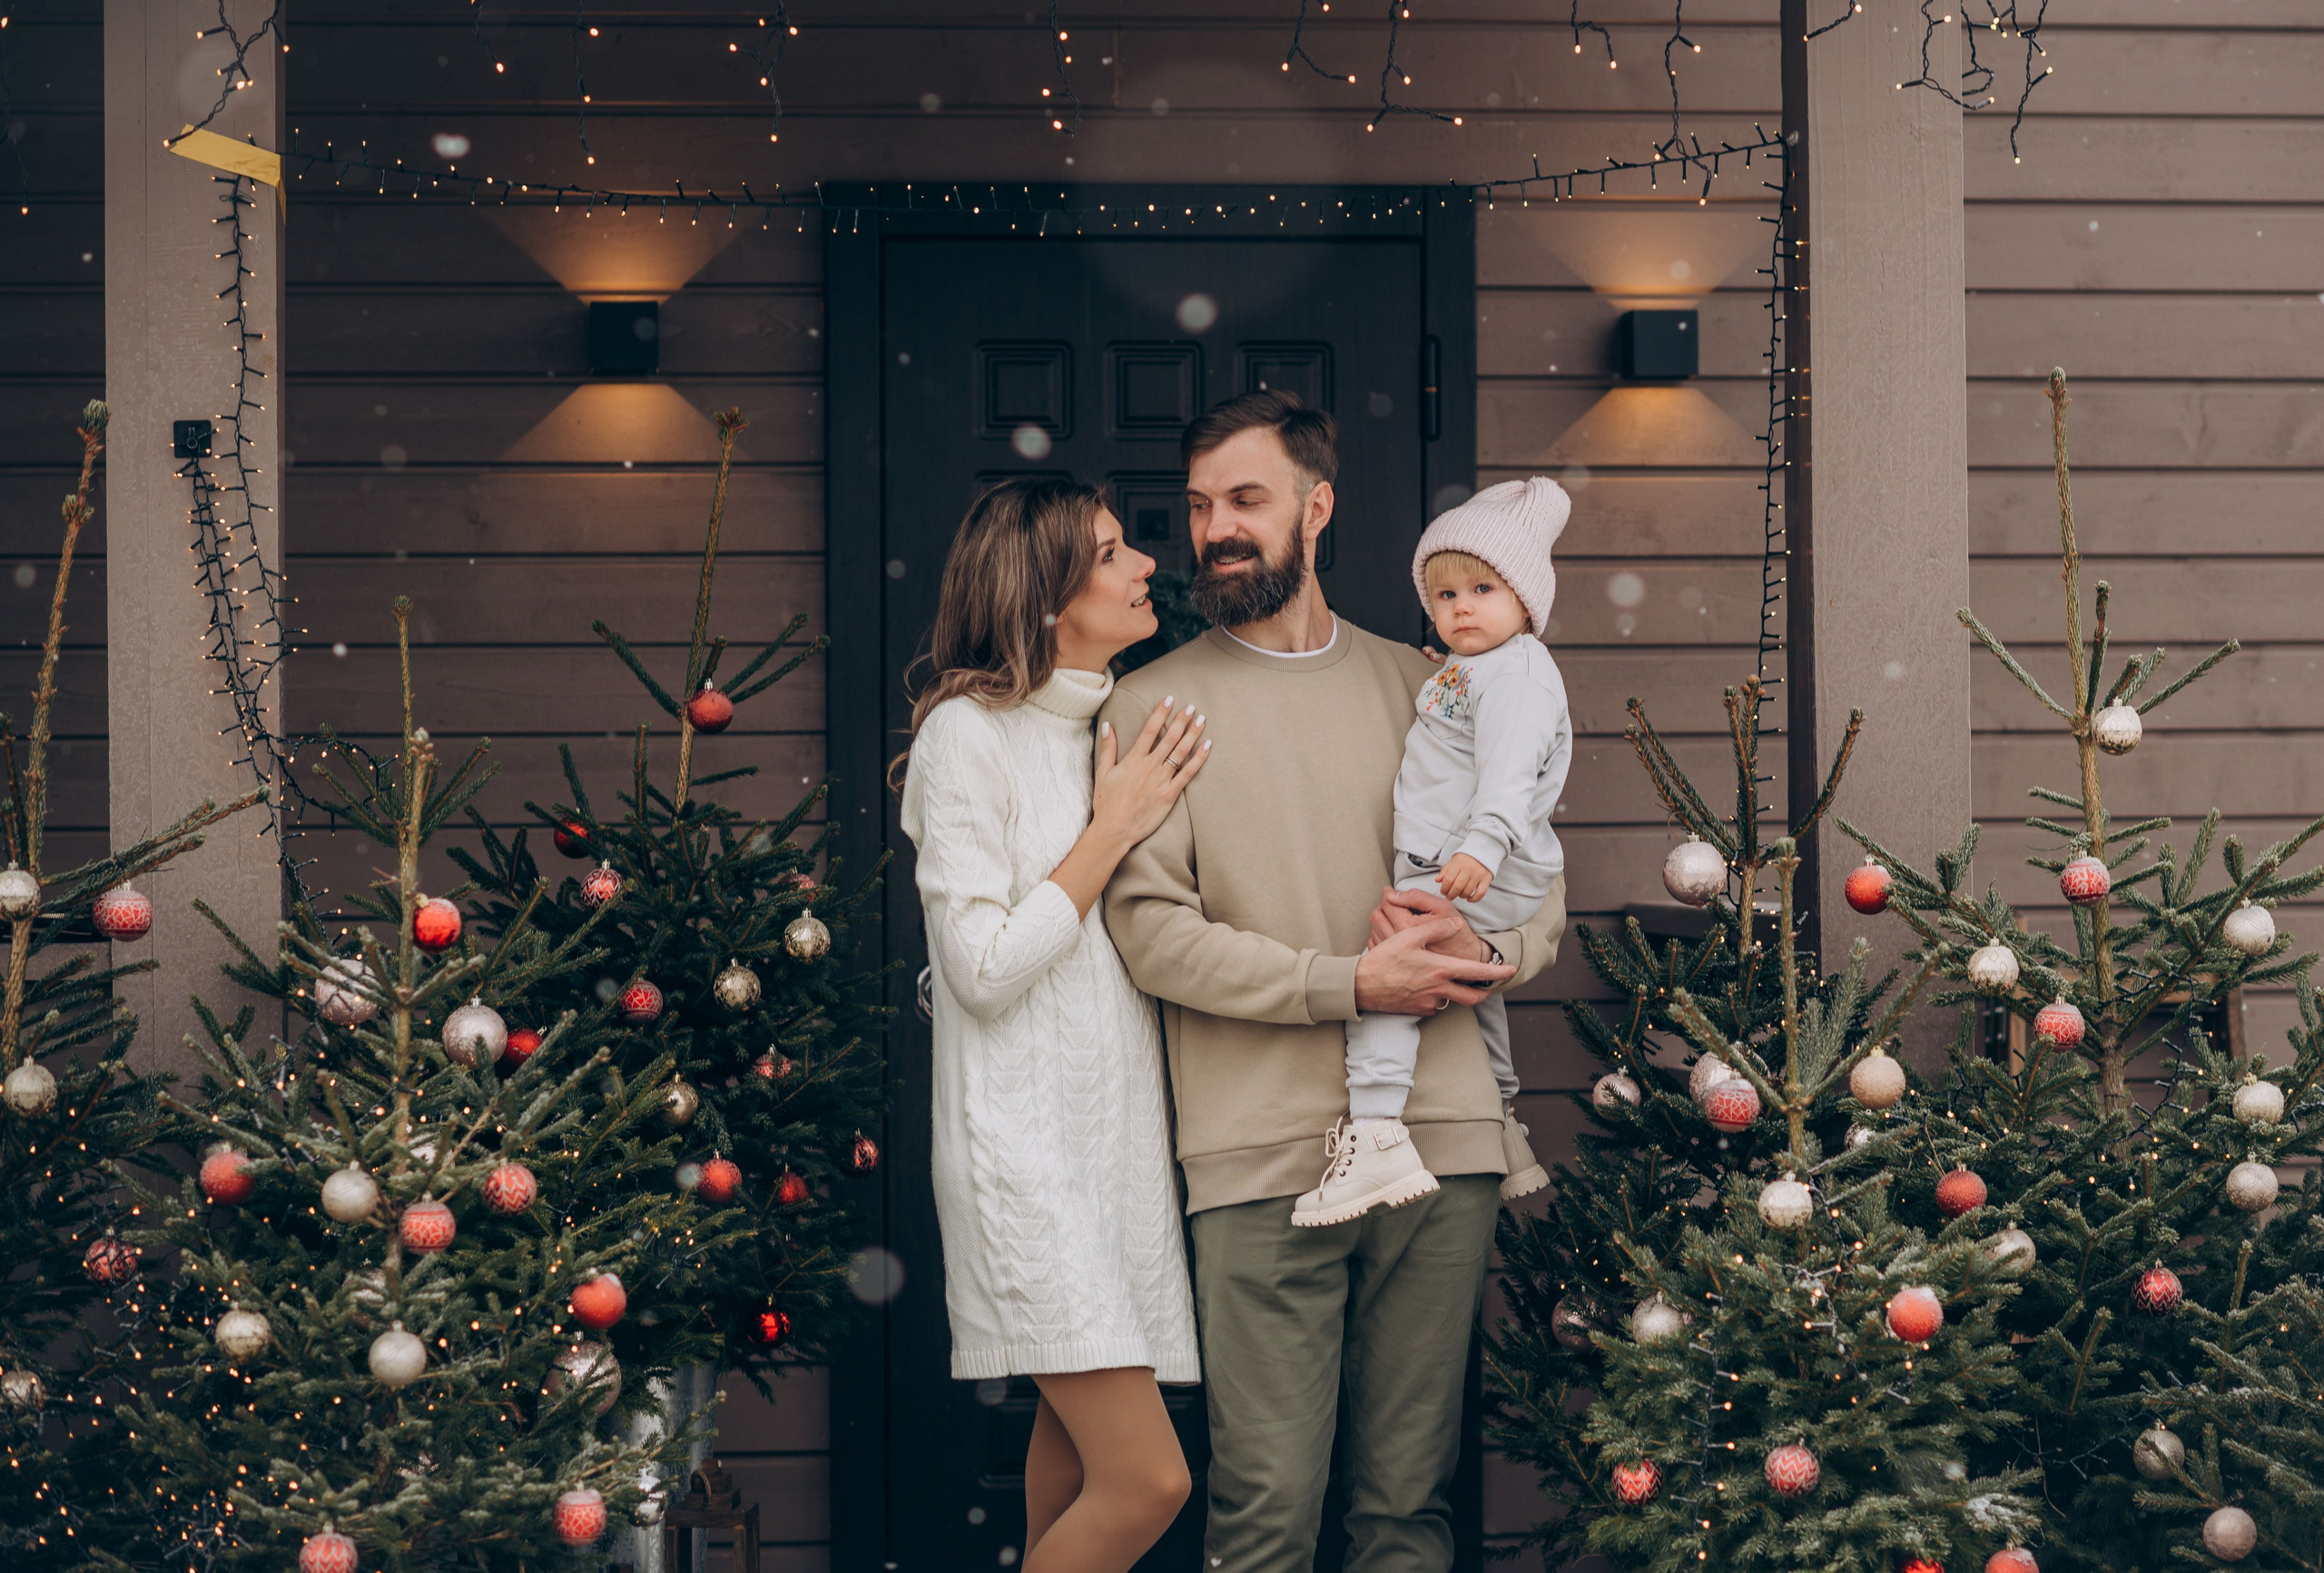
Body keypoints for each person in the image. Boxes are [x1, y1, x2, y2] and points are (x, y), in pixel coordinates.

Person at [1098, 392, 1568, 1570]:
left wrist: (1478, 952)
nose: (1217, 529)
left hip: (1444, 1139)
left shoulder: (1433, 685)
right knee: (1264, 1513)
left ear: (1318, 507)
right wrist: (1350, 984)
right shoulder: (1152, 707)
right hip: (1259, 1158)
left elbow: (1536, 890)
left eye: (1246, 500)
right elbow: (1154, 933)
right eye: (1202, 506)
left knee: (1407, 1510)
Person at [897, 477, 1208, 1573]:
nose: (1142, 569)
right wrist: (1109, 830)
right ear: (1042, 595)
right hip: (1021, 1155)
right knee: (1150, 1476)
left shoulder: (1108, 729)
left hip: (1113, 1151)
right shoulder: (964, 741)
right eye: (1113, 553)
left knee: (1074, 1459)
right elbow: (978, 969)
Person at [1293, 477, 1573, 1226]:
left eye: (1482, 588)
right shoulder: (1478, 668)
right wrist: (1447, 674)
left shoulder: (1518, 676)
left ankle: (1378, 1129)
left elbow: (1512, 768)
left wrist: (1482, 846)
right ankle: (1505, 1122)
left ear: (1526, 599)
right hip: (1461, 860)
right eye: (1445, 596)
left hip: (1475, 861)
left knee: (1391, 972)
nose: (1461, 608)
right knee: (1466, 984)